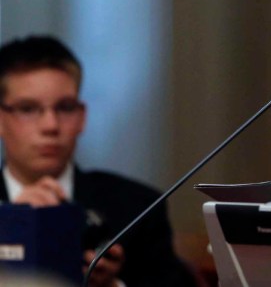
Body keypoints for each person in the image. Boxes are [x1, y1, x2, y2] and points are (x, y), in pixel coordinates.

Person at [0, 35, 197, 287]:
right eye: (28, 109)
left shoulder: (138, 208)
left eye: (65, 107)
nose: (50, 125)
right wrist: (10, 225)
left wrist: (112, 285)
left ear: (82, 117)